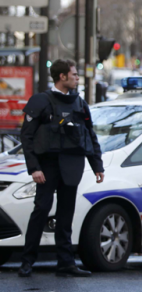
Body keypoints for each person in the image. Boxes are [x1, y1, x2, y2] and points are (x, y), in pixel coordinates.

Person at [17, 59, 105, 278]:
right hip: (47, 166)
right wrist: (34, 168)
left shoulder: (80, 103)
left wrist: (97, 166)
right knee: (41, 211)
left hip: (72, 165)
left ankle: (66, 263)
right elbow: (26, 137)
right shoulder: (41, 101)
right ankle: (27, 261)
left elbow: (89, 135)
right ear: (62, 77)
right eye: (74, 74)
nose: (77, 78)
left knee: (66, 216)